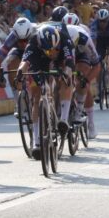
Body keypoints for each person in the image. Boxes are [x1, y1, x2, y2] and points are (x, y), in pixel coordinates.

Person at [16, 24, 76, 159]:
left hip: (62, 59)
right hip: (40, 59)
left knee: (67, 79)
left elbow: (69, 62)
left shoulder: (64, 39)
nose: (52, 52)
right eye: (50, 50)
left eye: (55, 49)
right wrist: (20, 73)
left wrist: (66, 72)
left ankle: (64, 120)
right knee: (37, 96)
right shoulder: (33, 42)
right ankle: (37, 142)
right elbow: (25, 63)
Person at [0, 17, 37, 116]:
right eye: (20, 41)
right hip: (18, 53)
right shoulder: (12, 37)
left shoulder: (36, 34)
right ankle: (18, 99)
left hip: (35, 52)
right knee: (11, 63)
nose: (23, 43)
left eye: (26, 40)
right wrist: (0, 77)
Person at [65, 15, 101, 139]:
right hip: (64, 52)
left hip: (82, 54)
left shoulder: (85, 36)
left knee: (83, 81)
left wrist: (86, 79)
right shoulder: (58, 34)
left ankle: (89, 123)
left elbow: (96, 65)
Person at [90, 8, 109, 90]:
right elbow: (93, 40)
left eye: (104, 21)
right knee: (99, 63)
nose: (102, 23)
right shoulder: (94, 24)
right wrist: (94, 53)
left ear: (108, 19)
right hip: (99, 41)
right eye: (100, 21)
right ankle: (99, 87)